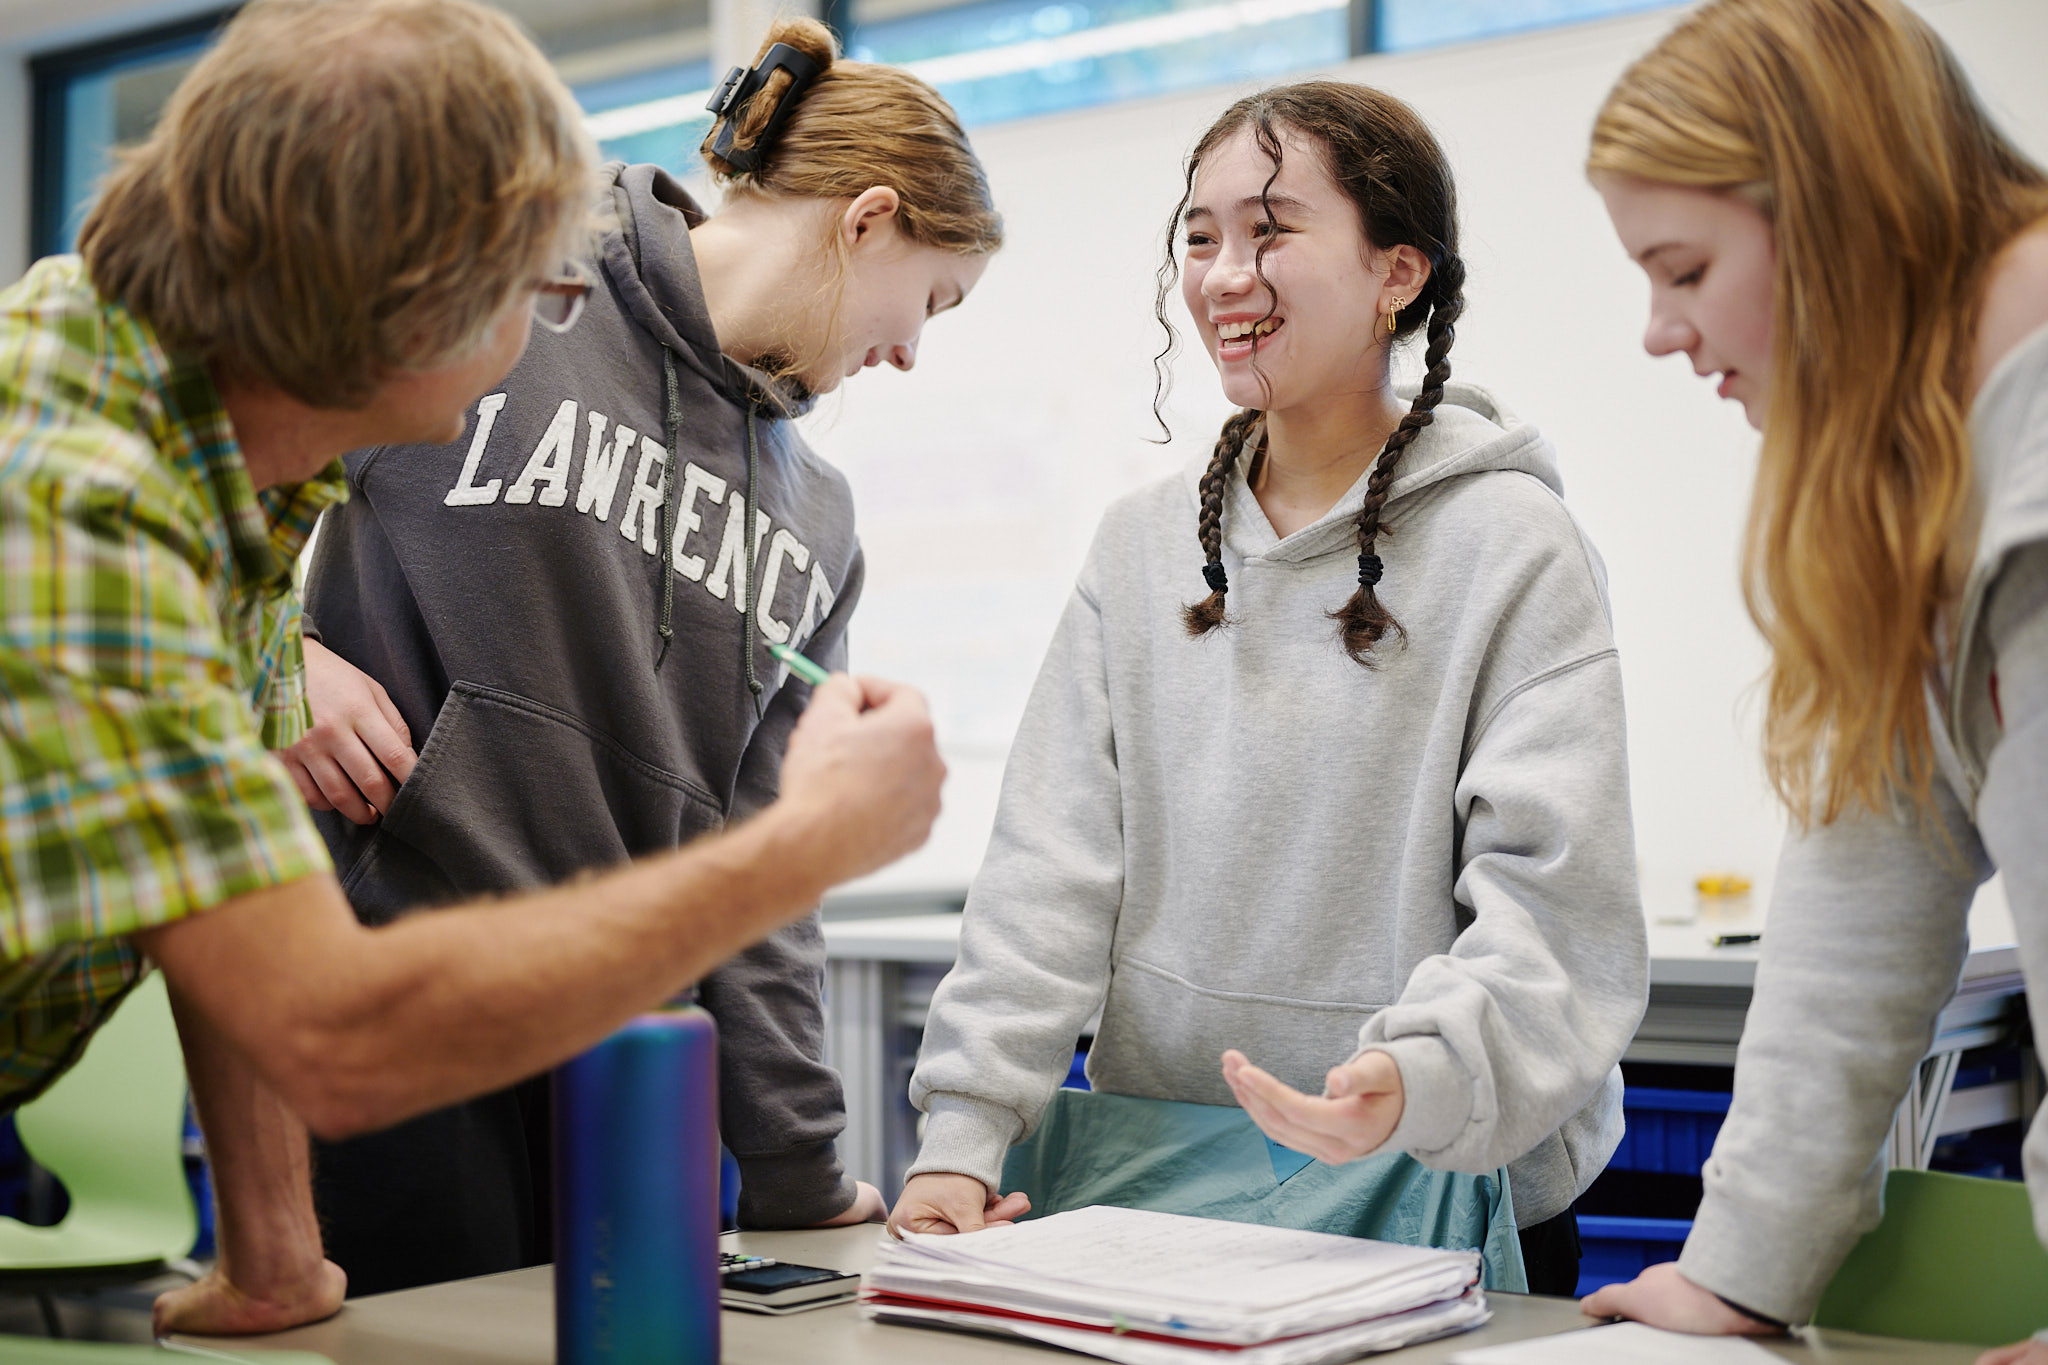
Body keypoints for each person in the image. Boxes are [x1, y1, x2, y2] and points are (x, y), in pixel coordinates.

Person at [0, 0, 943, 1337]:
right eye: (538, 294)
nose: (541, 334)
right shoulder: (76, 509)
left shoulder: (205, 462)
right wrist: (805, 846)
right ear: (387, 282)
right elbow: (334, 1033)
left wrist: (275, 1255)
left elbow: (227, 885)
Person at [886, 79, 1648, 1296]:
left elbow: (1555, 918)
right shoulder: (1139, 549)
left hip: (1438, 1184)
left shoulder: (1512, 544)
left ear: (1399, 273)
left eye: (1272, 230)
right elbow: (1048, 871)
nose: (1222, 275)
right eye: (1200, 236)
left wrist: (1416, 1079)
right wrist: (960, 1143)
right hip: (1154, 1185)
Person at [278, 16, 1001, 1295]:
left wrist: (801, 1174)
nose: (911, 350)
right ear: (869, 218)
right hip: (391, 980)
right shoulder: (516, 281)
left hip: (619, 1046)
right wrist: (270, 661)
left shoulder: (819, 522)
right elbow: (189, 453)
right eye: (934, 299)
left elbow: (761, 874)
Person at [1579, 0, 2048, 1358]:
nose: (1663, 332)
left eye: (1683, 268)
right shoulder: (1920, 487)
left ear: (1836, 213)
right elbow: (1863, 907)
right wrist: (1738, 1273)